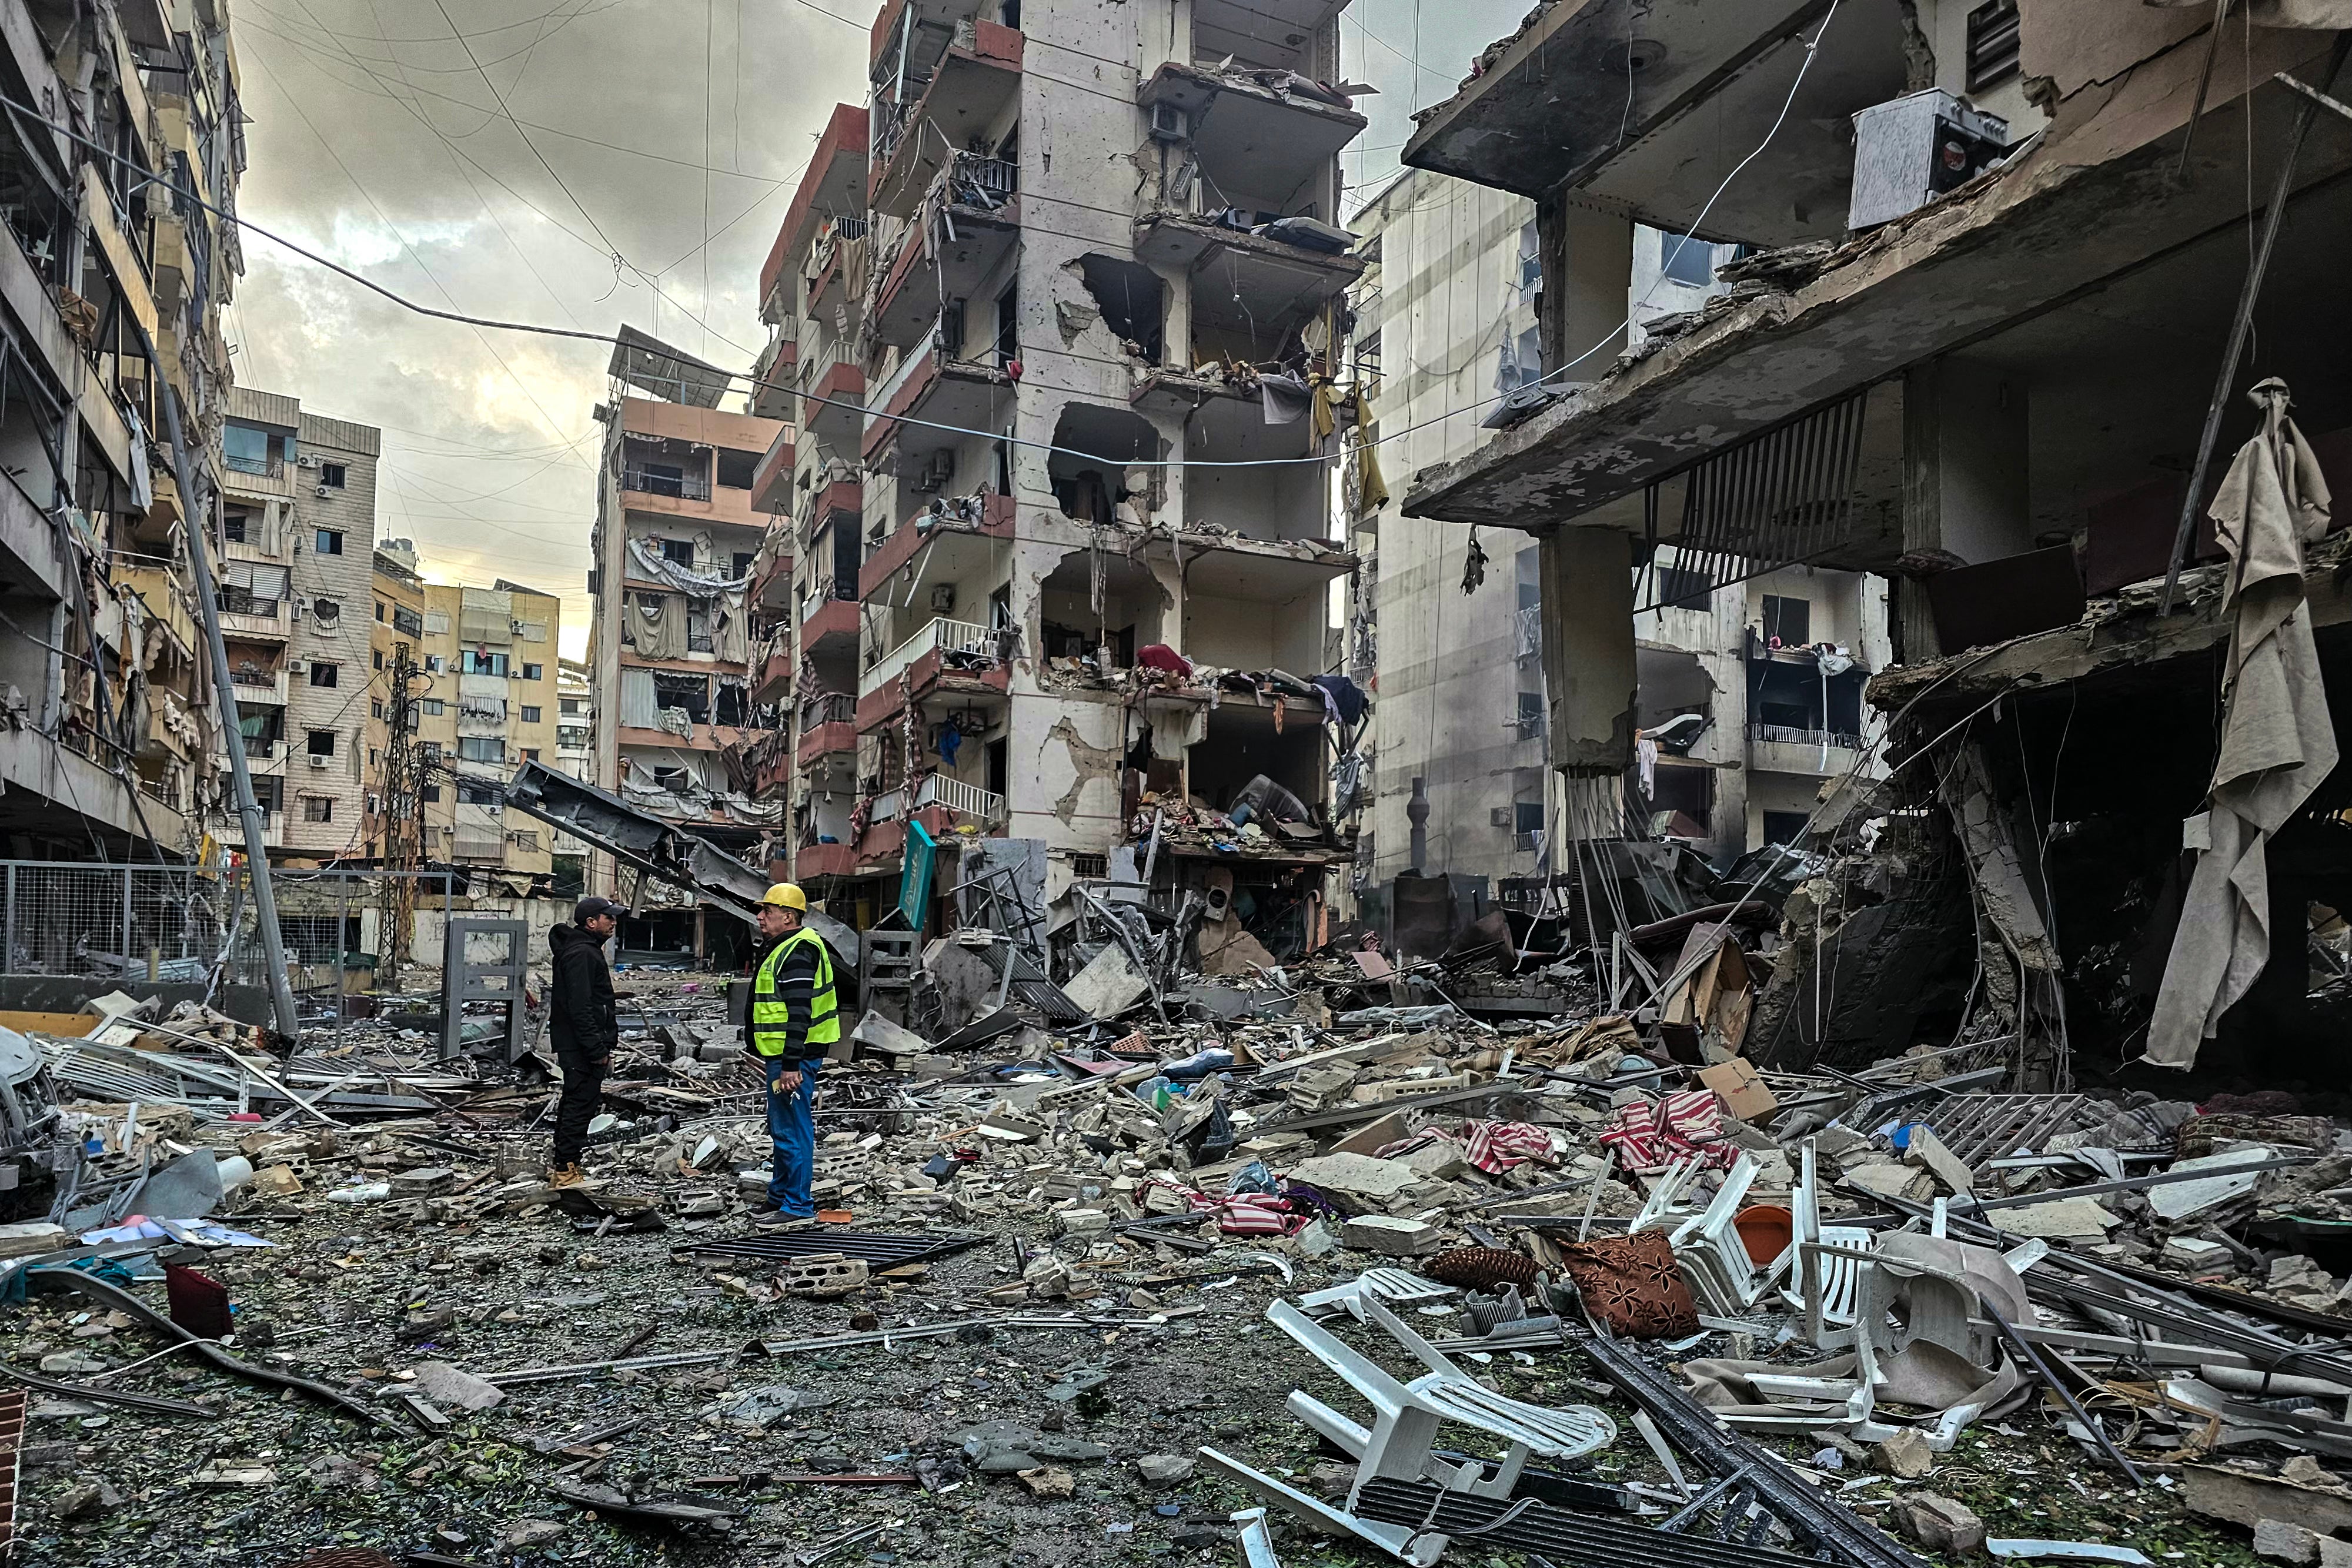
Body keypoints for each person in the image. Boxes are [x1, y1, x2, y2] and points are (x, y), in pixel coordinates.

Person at [745, 882, 838, 1227]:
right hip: (783, 1057)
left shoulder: (799, 950)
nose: (760, 917)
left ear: (788, 916)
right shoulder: (784, 947)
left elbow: (800, 1012)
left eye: (766, 912)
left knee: (793, 1131)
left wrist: (790, 1065)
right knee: (781, 1127)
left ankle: (798, 1206)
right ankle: (779, 1196)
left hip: (792, 1060)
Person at [546, 895, 626, 1187]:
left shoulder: (585, 950)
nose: (614, 922)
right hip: (581, 1048)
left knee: (576, 1104)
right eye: (609, 917)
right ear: (591, 922)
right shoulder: (582, 953)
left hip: (579, 1045)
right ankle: (566, 1172)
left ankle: (565, 1167)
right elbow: (580, 1007)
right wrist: (597, 1049)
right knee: (579, 1107)